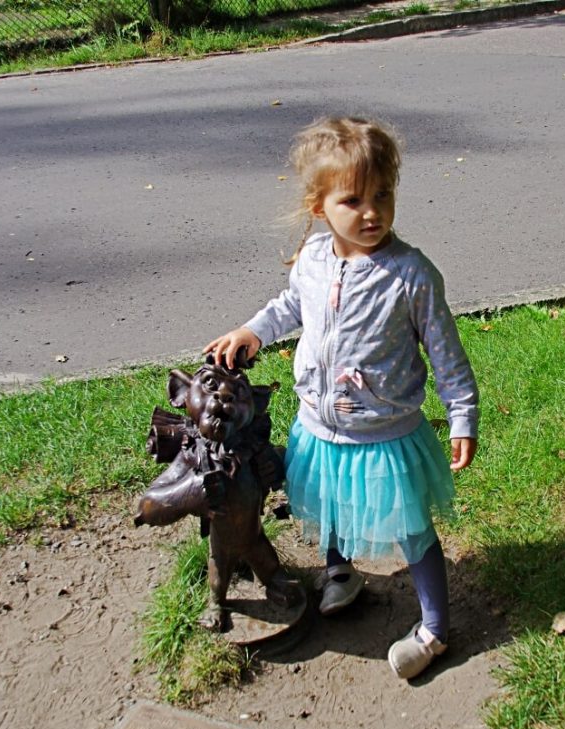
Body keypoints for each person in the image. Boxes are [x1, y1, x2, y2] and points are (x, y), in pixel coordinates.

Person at [204, 116, 479, 680]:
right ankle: (340, 572)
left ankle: (434, 629)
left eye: (383, 195)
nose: (372, 211)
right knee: (328, 502)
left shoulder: (411, 276)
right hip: (319, 422)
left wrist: (462, 415)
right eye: (353, 200)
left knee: (412, 528)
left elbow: (447, 354)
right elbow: (290, 306)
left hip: (385, 433)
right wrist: (253, 331)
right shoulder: (313, 260)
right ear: (319, 206)